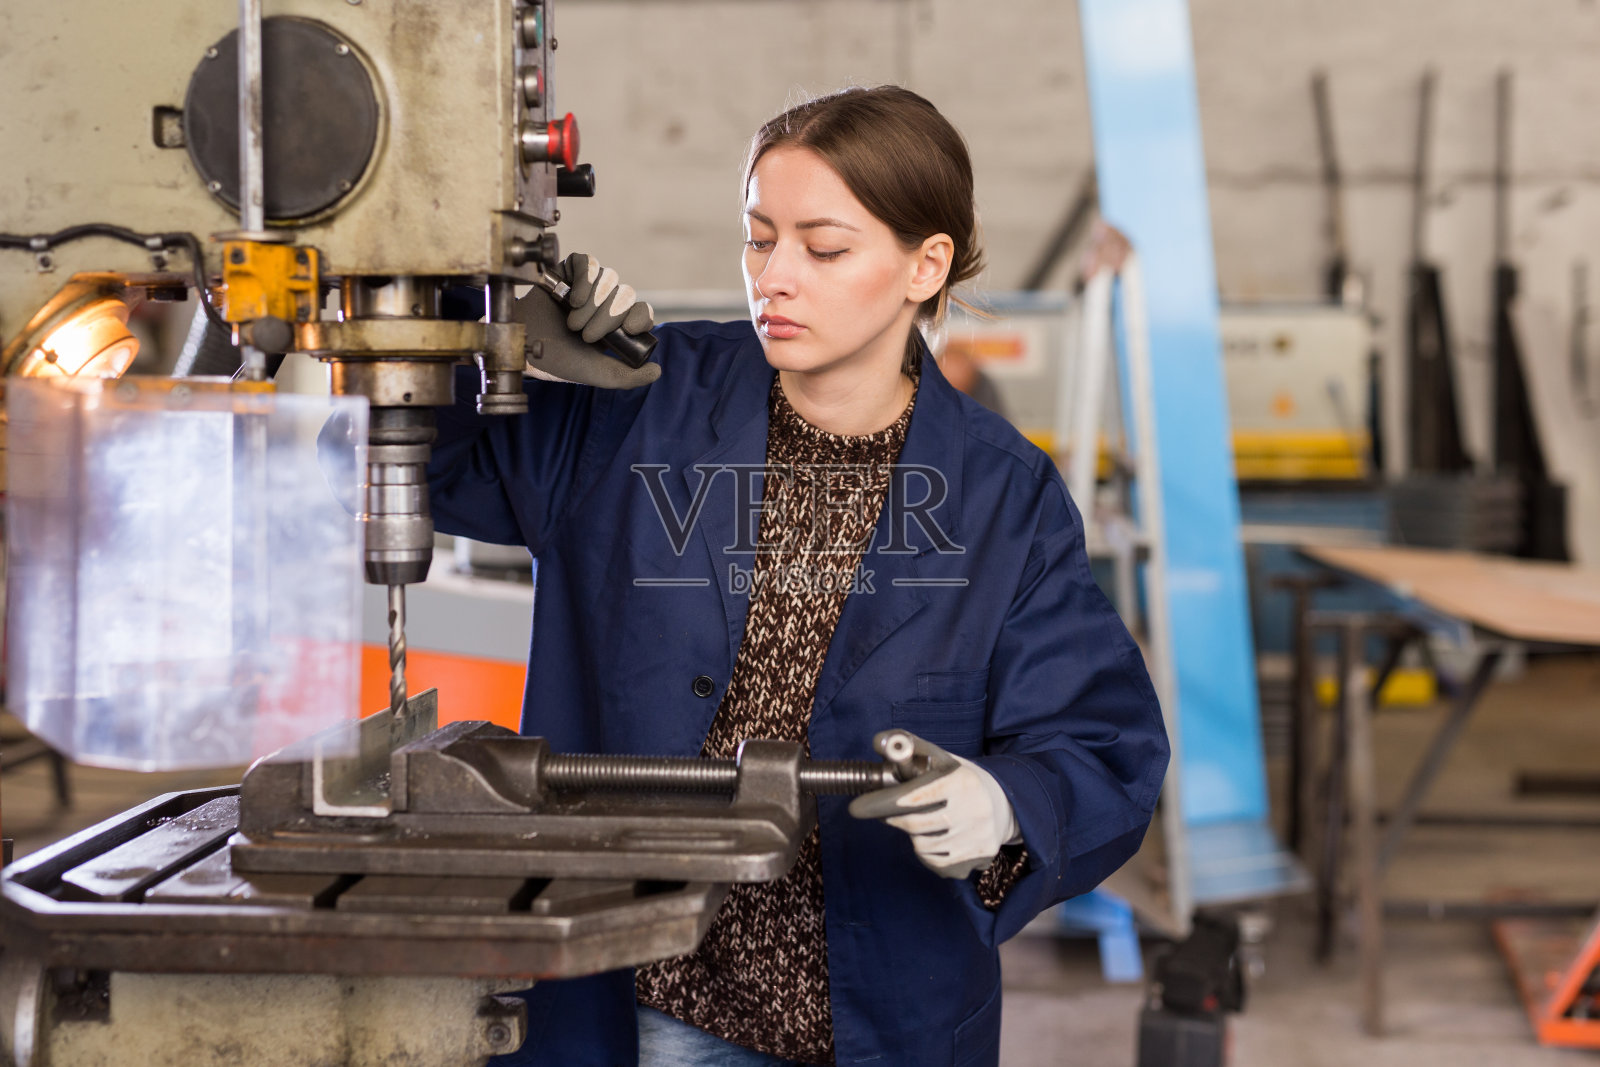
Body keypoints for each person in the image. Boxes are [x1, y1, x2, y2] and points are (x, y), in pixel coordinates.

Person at [428, 85, 1168, 1067]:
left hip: (881, 1015)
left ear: (924, 263)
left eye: (822, 249)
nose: (773, 277)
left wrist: (1007, 802)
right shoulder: (638, 409)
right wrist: (479, 312)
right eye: (757, 238)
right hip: (648, 995)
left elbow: (1098, 741)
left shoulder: (1003, 497)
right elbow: (430, 461)